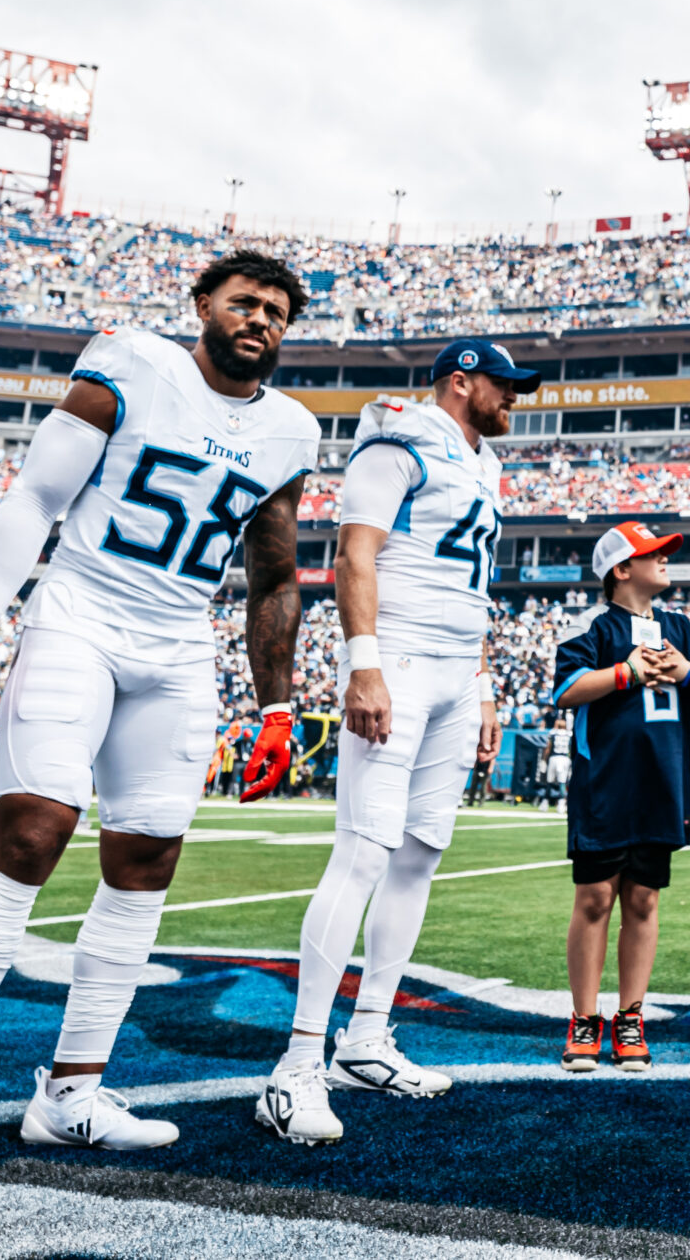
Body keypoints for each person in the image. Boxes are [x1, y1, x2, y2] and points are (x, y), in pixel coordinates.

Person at [0, 251, 317, 1208]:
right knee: (30, 835)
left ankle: (72, 1090)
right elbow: (36, 495)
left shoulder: (290, 429)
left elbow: (276, 574)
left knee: (147, 862)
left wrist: (277, 702)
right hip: (80, 613)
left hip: (177, 645)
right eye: (246, 302)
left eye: (279, 312)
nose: (262, 321)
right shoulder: (130, 362)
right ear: (203, 304)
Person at [258, 339, 529, 1142]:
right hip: (400, 658)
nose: (514, 398)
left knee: (419, 853)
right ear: (461, 379)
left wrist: (481, 687)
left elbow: (471, 586)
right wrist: (363, 666)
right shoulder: (400, 434)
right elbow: (355, 554)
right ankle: (298, 1062)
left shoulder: (484, 463)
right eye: (503, 384)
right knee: (364, 850)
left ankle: (366, 1036)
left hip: (452, 667)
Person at [551, 523, 690, 1071]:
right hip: (605, 783)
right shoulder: (594, 625)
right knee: (595, 899)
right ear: (621, 569)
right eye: (653, 553)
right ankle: (586, 1019)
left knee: (644, 900)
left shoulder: (680, 626)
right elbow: (565, 691)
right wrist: (626, 673)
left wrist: (688, 671)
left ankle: (631, 1018)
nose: (665, 560)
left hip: (664, 783)